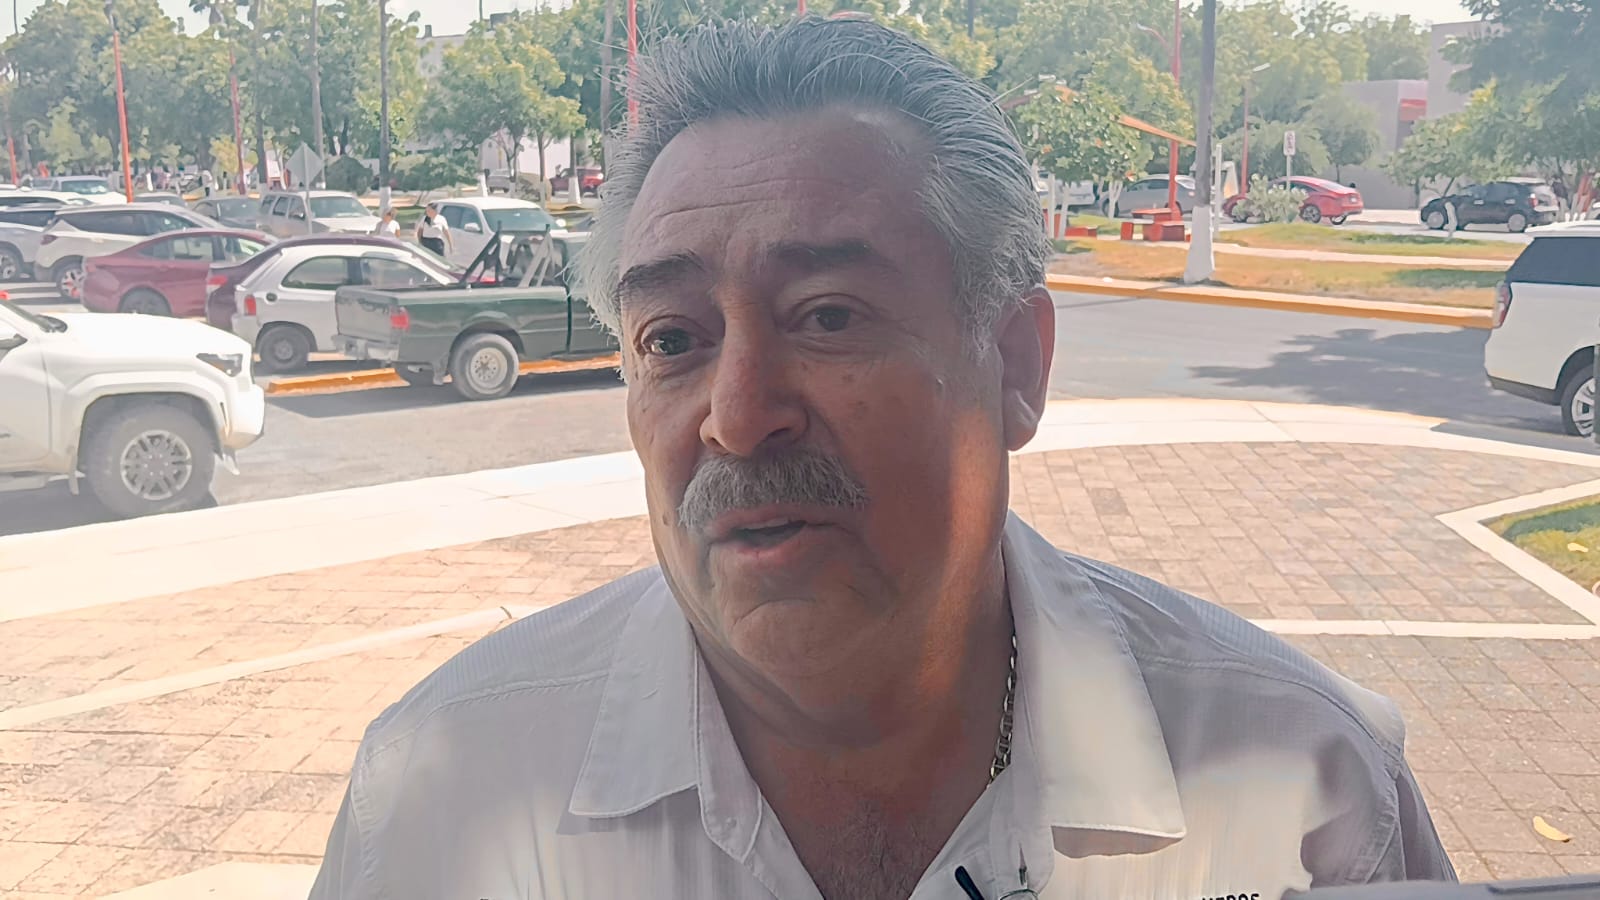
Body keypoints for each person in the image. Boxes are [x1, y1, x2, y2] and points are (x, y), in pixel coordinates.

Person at [310, 19, 1454, 900]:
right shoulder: (446, 794)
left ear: (1015, 364)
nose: (736, 418)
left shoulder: (1304, 790)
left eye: (827, 317)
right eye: (672, 341)